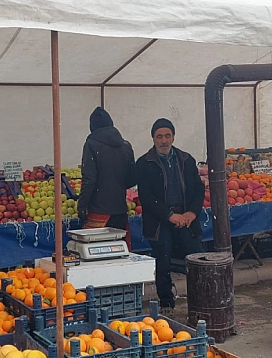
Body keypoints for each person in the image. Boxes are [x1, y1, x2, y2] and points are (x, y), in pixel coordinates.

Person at [136, 118, 206, 313]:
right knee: (163, 260)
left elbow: (198, 189)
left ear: (173, 137)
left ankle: (200, 299)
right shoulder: (144, 163)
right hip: (160, 220)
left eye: (167, 136)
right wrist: (169, 215)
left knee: (196, 259)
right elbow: (146, 197)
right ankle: (167, 302)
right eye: (159, 136)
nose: (164, 140)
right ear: (153, 139)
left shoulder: (186, 160)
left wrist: (191, 212)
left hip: (186, 218)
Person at [77, 107, 136, 249]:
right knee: (117, 251)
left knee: (97, 252)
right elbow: (132, 179)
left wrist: (82, 204)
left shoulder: (91, 144)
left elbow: (89, 179)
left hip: (99, 211)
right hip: (120, 210)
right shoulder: (126, 145)